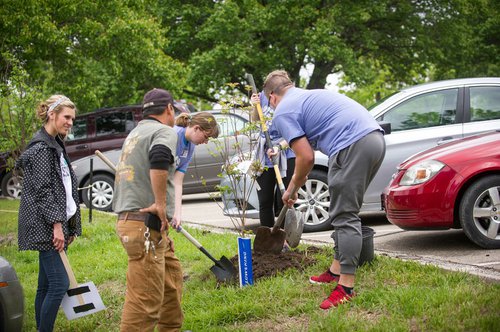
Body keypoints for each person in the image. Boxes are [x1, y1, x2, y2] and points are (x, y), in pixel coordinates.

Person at [263, 70, 386, 309]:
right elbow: (304, 150)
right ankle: (335, 269)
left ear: (272, 97)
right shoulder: (306, 96)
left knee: (345, 216)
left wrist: (291, 189)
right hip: (373, 140)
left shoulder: (283, 111)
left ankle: (346, 287)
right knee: (344, 210)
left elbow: (305, 157)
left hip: (351, 145)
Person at [112, 88, 183, 331]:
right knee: (145, 304)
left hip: (143, 224)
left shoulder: (136, 133)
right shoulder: (164, 131)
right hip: (144, 226)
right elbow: (160, 157)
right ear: (169, 109)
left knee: (170, 285)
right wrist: (161, 205)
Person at [17, 95, 81, 331]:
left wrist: (71, 225)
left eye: (73, 119)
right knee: (59, 284)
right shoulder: (42, 148)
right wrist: (57, 226)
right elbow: (44, 191)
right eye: (66, 117)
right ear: (52, 115)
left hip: (52, 222)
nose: (70, 123)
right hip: (45, 224)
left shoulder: (55, 143)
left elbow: (64, 186)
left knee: (45, 286)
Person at [250, 92, 296, 235]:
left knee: (284, 201)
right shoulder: (262, 97)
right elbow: (255, 121)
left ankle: (282, 238)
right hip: (264, 158)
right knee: (265, 201)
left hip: (286, 155)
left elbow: (295, 131)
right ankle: (268, 238)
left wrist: (279, 147)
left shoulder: (290, 98)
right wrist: (254, 106)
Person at [171, 112, 219, 228]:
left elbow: (177, 182)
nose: (206, 142)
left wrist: (177, 214)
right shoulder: (172, 136)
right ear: (196, 128)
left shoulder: (191, 146)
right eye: (206, 137)